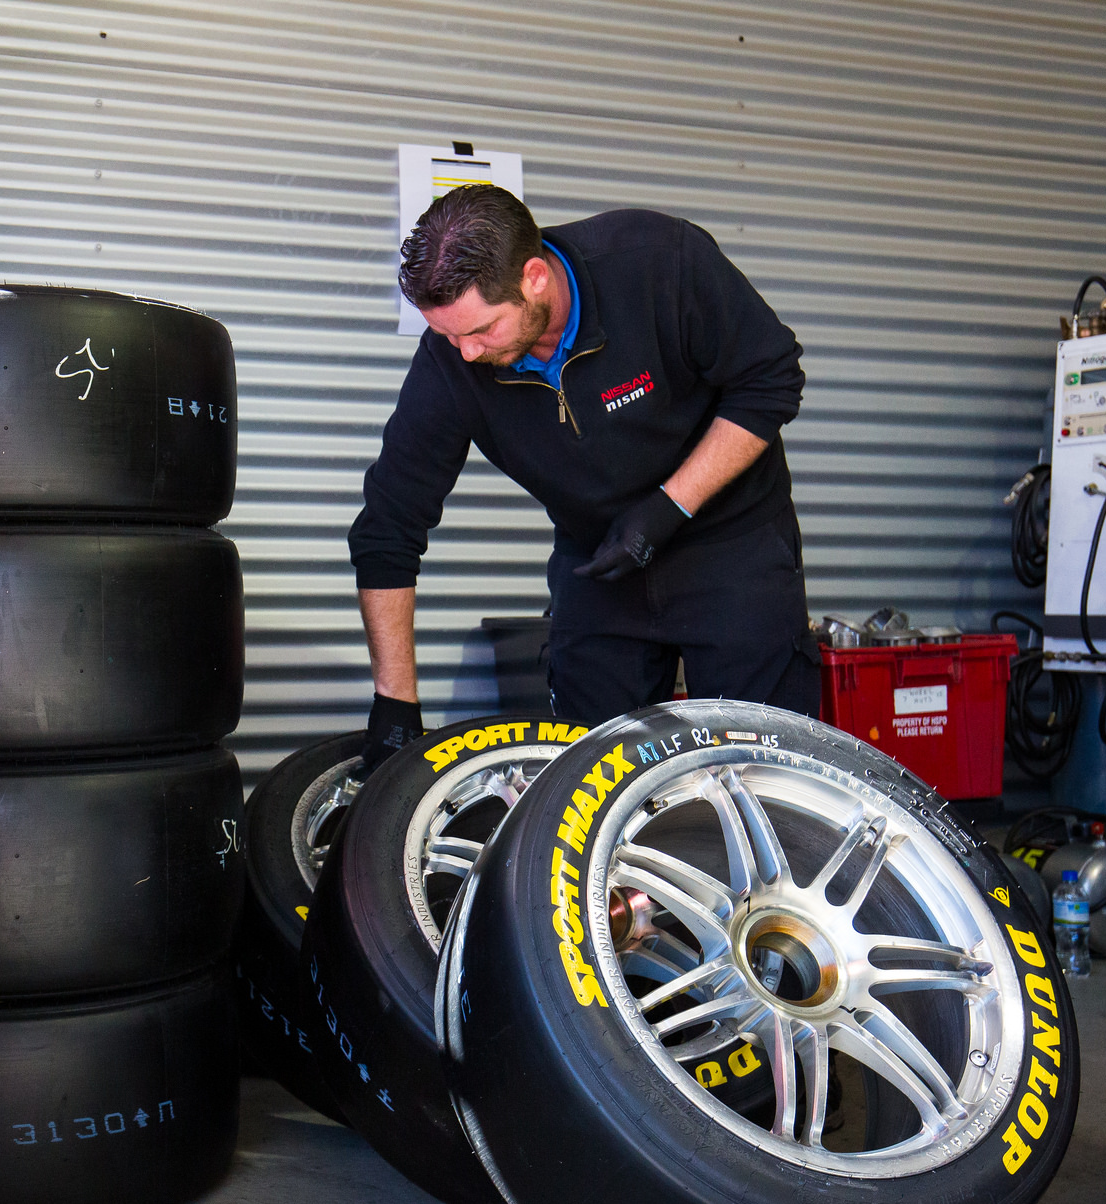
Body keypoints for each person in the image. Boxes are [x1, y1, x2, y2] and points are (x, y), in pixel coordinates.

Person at [348, 184, 817, 775]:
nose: (464, 354)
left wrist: (672, 505)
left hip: (732, 542)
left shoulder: (658, 263)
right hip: (601, 558)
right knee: (586, 777)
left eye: (482, 330)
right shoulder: (452, 361)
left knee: (762, 765)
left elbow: (771, 378)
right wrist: (395, 701)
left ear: (535, 277)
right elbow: (389, 526)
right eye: (448, 335)